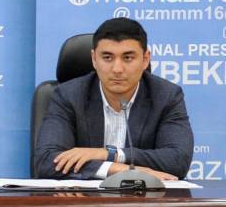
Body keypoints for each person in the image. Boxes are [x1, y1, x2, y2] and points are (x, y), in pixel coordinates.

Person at [33, 18, 193, 181]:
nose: (117, 69)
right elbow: (47, 161)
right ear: (94, 59)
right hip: (80, 196)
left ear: (145, 59)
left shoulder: (166, 96)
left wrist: (109, 154)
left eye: (128, 58)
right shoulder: (69, 95)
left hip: (143, 197)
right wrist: (120, 169)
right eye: (107, 58)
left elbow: (178, 160)